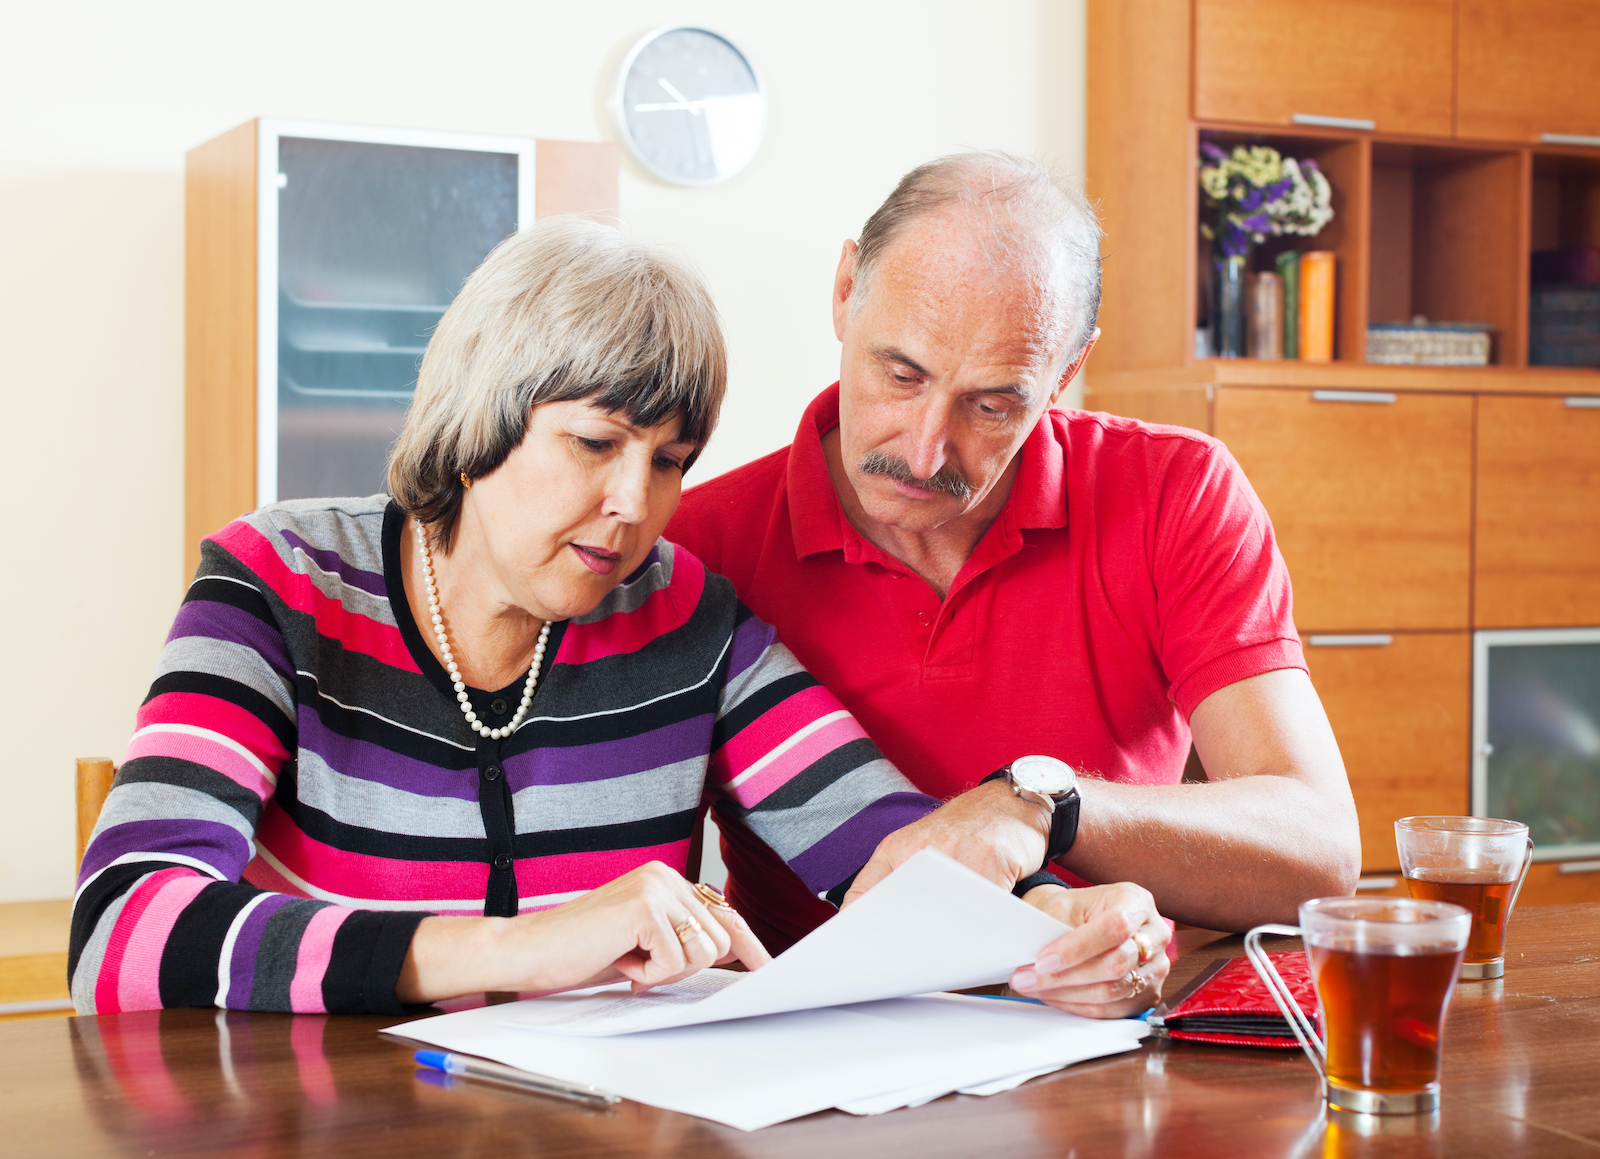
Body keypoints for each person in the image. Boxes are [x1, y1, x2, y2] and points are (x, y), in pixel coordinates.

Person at [70, 216, 1165, 1019]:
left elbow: (887, 850)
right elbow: (122, 926)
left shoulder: (685, 615)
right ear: (481, 413)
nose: (634, 507)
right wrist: (525, 948)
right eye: (594, 444)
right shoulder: (278, 584)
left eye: (671, 463)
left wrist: (1054, 925)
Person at [666, 153, 1362, 1000]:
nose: (925, 452)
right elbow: (626, 880)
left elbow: (1319, 851)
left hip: (1099, 1046)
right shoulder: (694, 543)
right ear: (846, 289)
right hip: (817, 1051)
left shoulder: (1177, 492)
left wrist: (1041, 803)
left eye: (991, 405)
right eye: (901, 374)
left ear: (1066, 371)